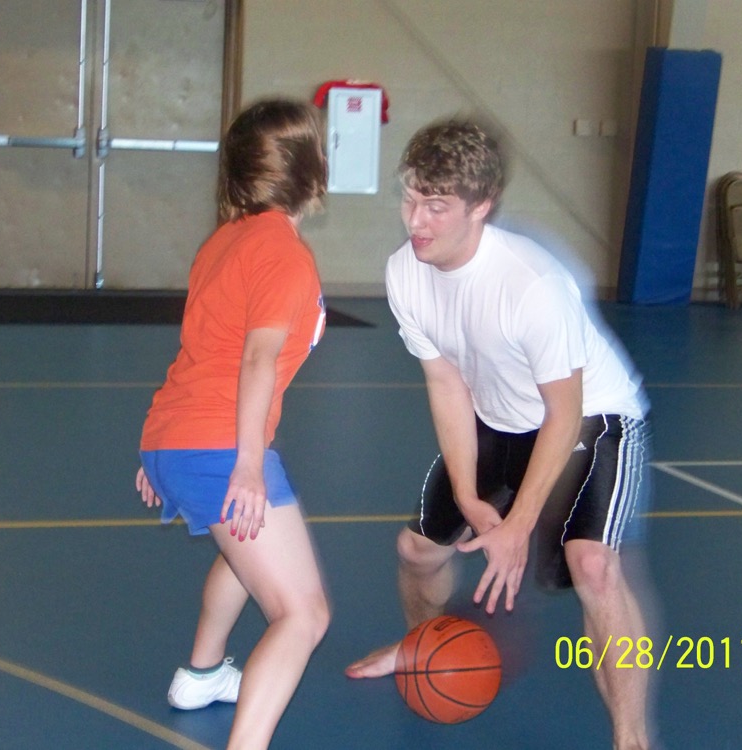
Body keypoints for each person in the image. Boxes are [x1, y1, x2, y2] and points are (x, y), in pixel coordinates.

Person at [345, 119, 656, 750]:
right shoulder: (406, 272)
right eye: (409, 198)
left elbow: (564, 412)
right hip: (496, 416)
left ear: (481, 206)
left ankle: (632, 738)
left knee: (593, 565)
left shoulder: (532, 286)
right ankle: (421, 647)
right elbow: (446, 383)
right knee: (417, 552)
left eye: (436, 206)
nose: (416, 220)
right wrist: (467, 495)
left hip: (591, 418)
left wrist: (518, 526)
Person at [136, 99, 331, 750]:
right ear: (312, 170)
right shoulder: (283, 254)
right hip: (219, 447)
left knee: (244, 549)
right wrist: (247, 465)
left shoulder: (223, 242)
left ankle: (202, 673)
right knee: (302, 614)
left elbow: (202, 348)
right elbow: (255, 359)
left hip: (177, 438)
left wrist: (162, 452)